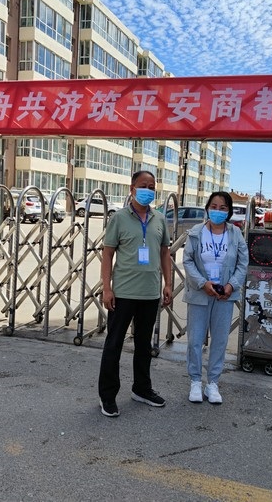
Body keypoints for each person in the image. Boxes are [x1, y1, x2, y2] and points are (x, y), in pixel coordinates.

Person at [98, 171, 173, 417]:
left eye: (152, 186)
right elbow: (108, 254)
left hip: (150, 293)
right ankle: (107, 396)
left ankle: (142, 389)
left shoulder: (159, 219)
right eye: (143, 185)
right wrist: (107, 288)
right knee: (114, 344)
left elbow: (165, 253)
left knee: (144, 345)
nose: (148, 190)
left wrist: (168, 284)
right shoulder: (119, 218)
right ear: (132, 189)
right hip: (123, 292)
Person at [182, 191, 248, 405]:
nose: (218, 211)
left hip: (224, 296)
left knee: (220, 341)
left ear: (229, 212)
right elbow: (188, 260)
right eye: (214, 206)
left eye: (223, 208)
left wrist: (231, 285)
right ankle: (195, 381)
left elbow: (243, 263)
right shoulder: (196, 232)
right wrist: (203, 283)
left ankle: (212, 383)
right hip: (200, 293)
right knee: (195, 340)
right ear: (207, 208)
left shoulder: (235, 234)